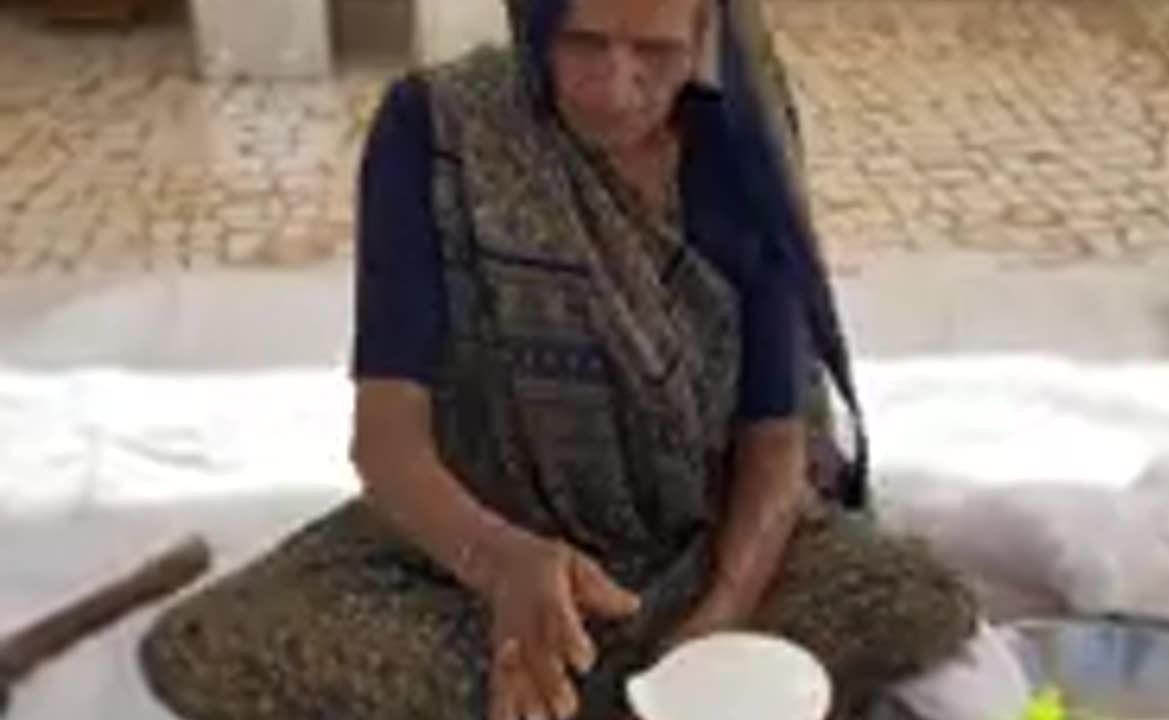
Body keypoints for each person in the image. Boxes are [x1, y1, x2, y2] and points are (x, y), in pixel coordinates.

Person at [138, 0, 979, 718]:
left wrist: (718, 619)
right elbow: (387, 443)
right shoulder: (438, 133)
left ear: (705, 29)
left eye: (657, 51)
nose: (618, 87)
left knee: (915, 603)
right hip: (488, 547)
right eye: (584, 43)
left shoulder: (736, 141)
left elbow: (774, 431)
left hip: (701, 537)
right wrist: (504, 564)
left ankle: (605, 685)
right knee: (215, 644)